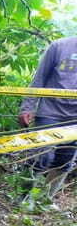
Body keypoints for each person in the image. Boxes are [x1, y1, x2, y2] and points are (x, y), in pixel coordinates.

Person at [18, 35, 77, 203]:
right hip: (50, 112)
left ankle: (44, 200)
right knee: (40, 156)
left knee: (64, 160)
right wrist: (27, 107)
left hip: (75, 118)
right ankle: (23, 197)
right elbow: (39, 78)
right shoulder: (59, 46)